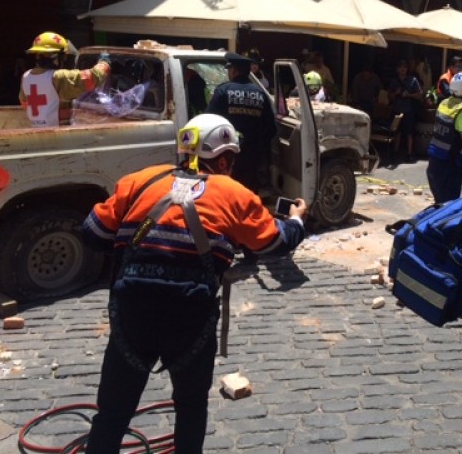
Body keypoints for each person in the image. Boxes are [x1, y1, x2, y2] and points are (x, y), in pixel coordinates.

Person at [82, 114, 308, 453]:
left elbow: (93, 233)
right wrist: (296, 220)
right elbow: (275, 244)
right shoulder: (233, 194)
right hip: (189, 318)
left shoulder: (138, 181)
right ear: (224, 159)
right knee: (190, 409)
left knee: (112, 413)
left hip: (132, 314)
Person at [205, 52, 276, 193]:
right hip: (252, 155)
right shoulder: (260, 93)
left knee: (227, 191)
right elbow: (271, 129)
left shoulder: (223, 91)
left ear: (234, 71)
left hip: (227, 153)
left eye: (229, 70)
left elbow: (208, 120)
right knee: (248, 192)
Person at [19, 32, 111, 127]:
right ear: (56, 57)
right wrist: (104, 62)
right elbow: (92, 78)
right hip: (59, 134)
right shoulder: (59, 77)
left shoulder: (26, 77)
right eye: (64, 56)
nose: (65, 59)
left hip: (37, 130)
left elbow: (25, 103)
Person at [426, 71, 462, 204]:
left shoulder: (444, 103)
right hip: (449, 167)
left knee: (440, 203)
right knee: (447, 206)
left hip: (434, 163)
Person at [388, 59, 422, 163]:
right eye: (400, 67)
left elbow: (420, 95)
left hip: (409, 110)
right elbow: (389, 97)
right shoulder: (393, 81)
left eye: (404, 67)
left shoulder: (413, 80)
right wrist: (396, 93)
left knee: (409, 133)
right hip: (397, 109)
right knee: (397, 132)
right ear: (397, 69)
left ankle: (409, 154)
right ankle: (395, 152)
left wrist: (409, 95)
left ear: (407, 69)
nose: (402, 69)